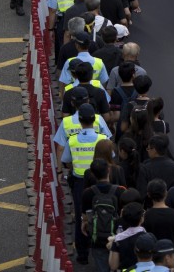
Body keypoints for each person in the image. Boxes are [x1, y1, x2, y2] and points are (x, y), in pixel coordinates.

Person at [63, 104, 108, 263]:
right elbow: (111, 157)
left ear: (80, 121)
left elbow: (66, 161)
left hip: (80, 183)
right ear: (94, 119)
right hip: (101, 180)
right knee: (103, 213)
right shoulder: (103, 138)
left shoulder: (72, 140)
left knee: (81, 216)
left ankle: (82, 255)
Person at [81, 158, 125, 272]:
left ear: (93, 174)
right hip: (117, 237)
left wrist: (84, 223)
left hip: (97, 238)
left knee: (101, 266)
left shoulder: (88, 193)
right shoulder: (120, 191)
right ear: (109, 170)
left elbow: (85, 217)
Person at [142, 179, 174, 270]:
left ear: (148, 194)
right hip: (173, 258)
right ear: (166, 193)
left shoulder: (146, 216)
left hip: (153, 260)